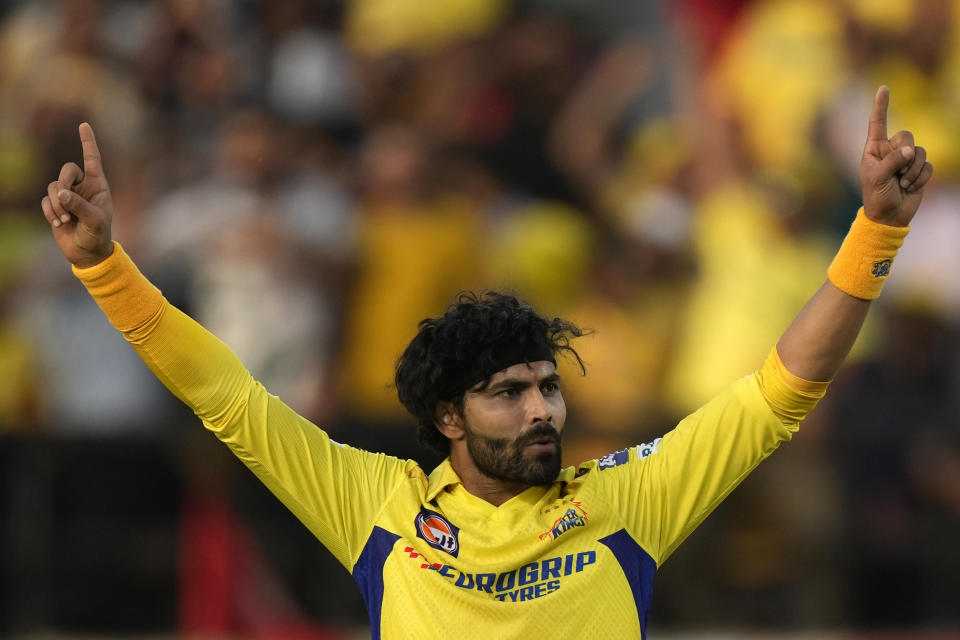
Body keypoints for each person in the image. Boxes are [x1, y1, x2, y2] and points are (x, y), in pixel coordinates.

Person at [40, 87, 931, 638]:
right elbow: (224, 395)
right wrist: (103, 268)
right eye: (510, 394)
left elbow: (781, 392)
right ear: (449, 420)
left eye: (548, 387)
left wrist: (877, 230)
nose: (543, 408)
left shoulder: (624, 500)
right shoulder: (376, 509)